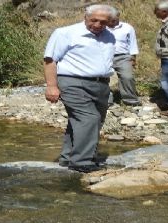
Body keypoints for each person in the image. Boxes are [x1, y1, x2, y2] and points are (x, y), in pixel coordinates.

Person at [44, 4, 116, 173]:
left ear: (110, 22)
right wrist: (52, 86)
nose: (98, 25)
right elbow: (50, 60)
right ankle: (81, 162)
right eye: (94, 20)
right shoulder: (65, 33)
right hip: (72, 82)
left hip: (101, 84)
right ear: (85, 17)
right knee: (88, 119)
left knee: (89, 121)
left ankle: (68, 157)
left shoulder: (110, 36)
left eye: (103, 22)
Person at [108, 7, 140, 106]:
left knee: (127, 77)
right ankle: (106, 100)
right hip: (105, 56)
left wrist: (133, 57)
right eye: (109, 20)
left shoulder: (127, 27)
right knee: (103, 79)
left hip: (123, 56)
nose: (111, 22)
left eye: (114, 19)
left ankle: (130, 100)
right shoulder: (102, 27)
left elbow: (132, 43)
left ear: (118, 16)